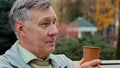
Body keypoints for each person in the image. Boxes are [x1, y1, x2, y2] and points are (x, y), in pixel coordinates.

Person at [0, 0, 101, 68]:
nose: (55, 31)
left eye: (53, 22)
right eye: (45, 24)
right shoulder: (4, 64)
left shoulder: (65, 63)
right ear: (21, 28)